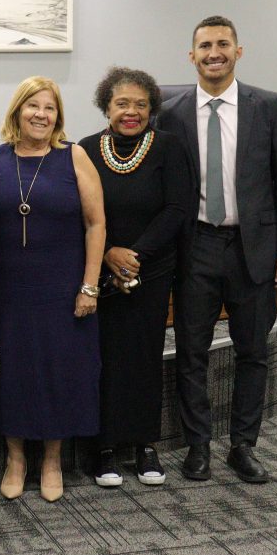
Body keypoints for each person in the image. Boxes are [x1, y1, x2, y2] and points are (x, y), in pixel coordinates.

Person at [155, 16, 277, 483]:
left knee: (253, 352)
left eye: (223, 44)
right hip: (196, 246)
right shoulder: (171, 111)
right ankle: (197, 447)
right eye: (204, 45)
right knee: (191, 351)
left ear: (239, 51)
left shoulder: (270, 106)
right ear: (191, 55)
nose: (213, 52)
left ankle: (243, 446)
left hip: (253, 248)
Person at [0, 76, 106, 502]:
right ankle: (15, 459)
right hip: (7, 290)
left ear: (57, 116)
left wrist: (90, 286)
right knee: (11, 376)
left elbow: (96, 223)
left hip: (63, 289)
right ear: (17, 111)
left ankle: (51, 461)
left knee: (58, 374)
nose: (41, 115)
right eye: (33, 106)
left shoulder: (74, 157)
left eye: (49, 108)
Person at [79, 67, 190, 488]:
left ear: (152, 109)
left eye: (140, 104)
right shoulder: (87, 150)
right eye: (122, 103)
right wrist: (108, 254)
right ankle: (105, 446)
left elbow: (177, 209)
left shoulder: (168, 147)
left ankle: (145, 445)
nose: (131, 112)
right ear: (106, 107)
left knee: (144, 359)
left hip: (151, 270)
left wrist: (136, 255)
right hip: (100, 270)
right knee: (103, 359)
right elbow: (81, 213)